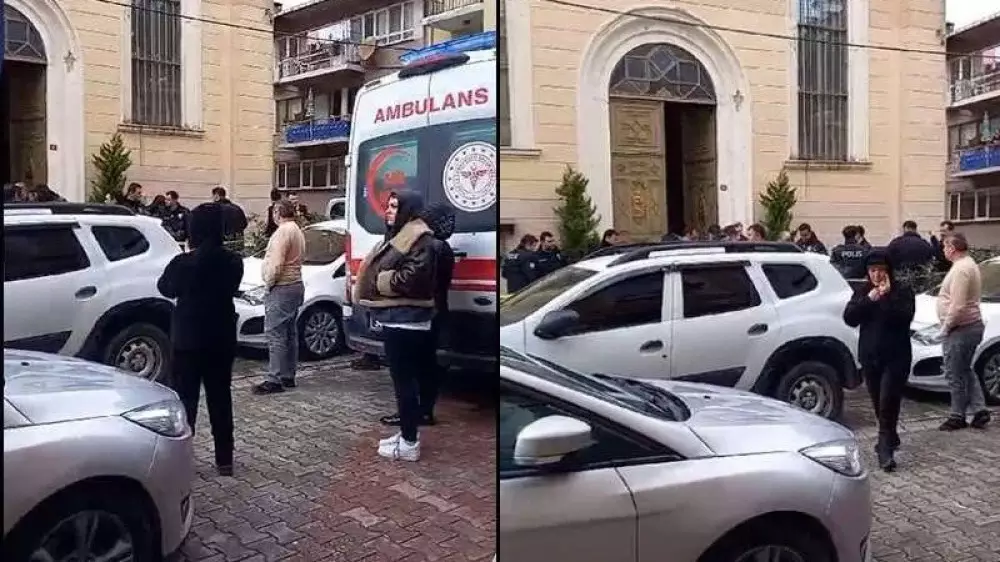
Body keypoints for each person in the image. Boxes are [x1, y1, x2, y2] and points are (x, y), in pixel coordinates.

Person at [157, 203, 244, 476]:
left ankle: (182, 460)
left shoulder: (183, 263)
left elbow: (165, 288)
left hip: (188, 340)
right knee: (221, 399)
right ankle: (225, 460)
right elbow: (232, 287)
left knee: (186, 401)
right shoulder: (233, 261)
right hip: (220, 339)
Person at [354, 191, 439, 462]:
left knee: (405, 383)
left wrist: (382, 280)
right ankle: (406, 434)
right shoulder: (402, 235)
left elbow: (413, 279)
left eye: (394, 206)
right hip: (399, 318)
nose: (388, 211)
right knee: (402, 382)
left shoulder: (420, 239)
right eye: (388, 206)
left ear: (408, 209)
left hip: (407, 320)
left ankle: (409, 442)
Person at [379, 202, 456, 428]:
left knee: (412, 369)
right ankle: (422, 412)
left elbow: (417, 281)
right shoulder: (438, 245)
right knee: (425, 365)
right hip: (433, 311)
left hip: (423, 313)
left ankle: (413, 417)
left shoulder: (430, 246)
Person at [843, 250, 915, 472]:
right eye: (872, 270)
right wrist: (870, 299)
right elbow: (849, 318)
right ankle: (890, 436)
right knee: (878, 402)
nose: (877, 275)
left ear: (888, 271)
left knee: (887, 402)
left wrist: (885, 298)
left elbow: (904, 317)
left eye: (881, 270)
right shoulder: (864, 292)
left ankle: (884, 450)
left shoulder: (902, 291)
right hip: (870, 357)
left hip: (896, 357)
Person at [936, 233, 991, 431]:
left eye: (944, 246)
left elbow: (958, 305)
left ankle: (957, 415)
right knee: (965, 369)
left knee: (954, 372)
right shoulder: (967, 264)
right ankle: (980, 409)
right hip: (967, 326)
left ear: (952, 248)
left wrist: (946, 327)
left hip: (961, 328)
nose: (943, 250)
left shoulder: (961, 269)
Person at [254, 200, 307, 395]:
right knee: (289, 333)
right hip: (296, 284)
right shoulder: (297, 230)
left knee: (275, 333)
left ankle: (274, 378)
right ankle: (288, 375)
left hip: (282, 286)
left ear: (278, 212)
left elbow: (276, 263)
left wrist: (268, 283)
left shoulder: (282, 232)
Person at [211, 186, 248, 252]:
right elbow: (244, 224)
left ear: (217, 196)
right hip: (238, 243)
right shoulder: (237, 208)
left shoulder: (215, 209)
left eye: (213, 196)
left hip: (222, 245)